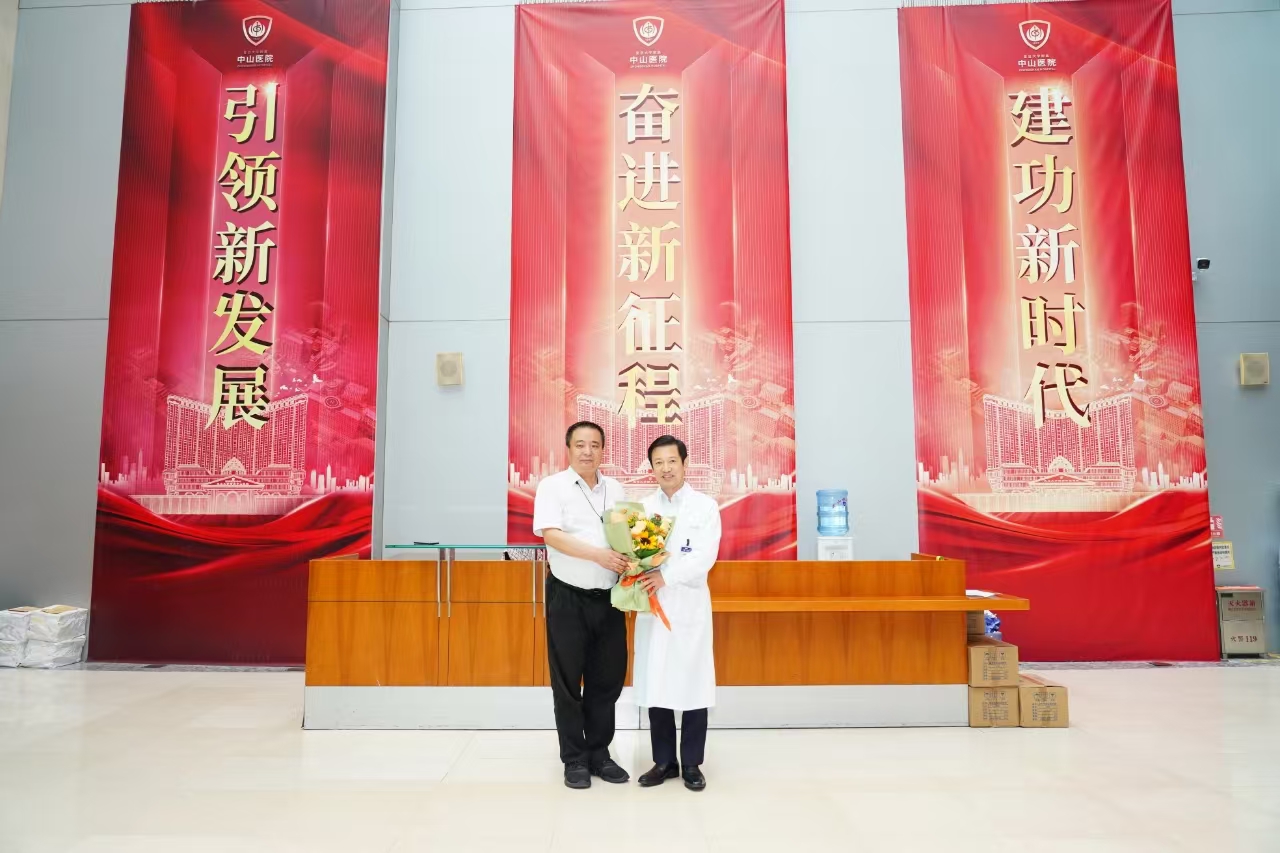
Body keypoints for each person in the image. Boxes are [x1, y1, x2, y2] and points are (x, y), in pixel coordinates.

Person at [532, 421, 632, 789]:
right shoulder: (553, 486)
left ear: (603, 450)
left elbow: (627, 536)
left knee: (607, 681)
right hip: (568, 596)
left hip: (609, 599)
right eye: (580, 444)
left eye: (595, 445)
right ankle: (574, 758)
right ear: (569, 449)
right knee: (568, 682)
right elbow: (551, 536)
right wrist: (598, 555)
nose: (588, 451)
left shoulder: (616, 489)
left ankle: (600, 754)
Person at [634, 435, 721, 791]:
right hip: (653, 607)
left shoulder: (705, 507)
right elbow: (638, 555)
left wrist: (665, 576)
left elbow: (704, 558)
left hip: (689, 607)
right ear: (652, 468)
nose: (666, 468)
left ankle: (692, 764)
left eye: (672, 461)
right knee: (657, 681)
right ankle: (664, 761)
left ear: (685, 463)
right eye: (659, 462)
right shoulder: (642, 509)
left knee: (693, 681)